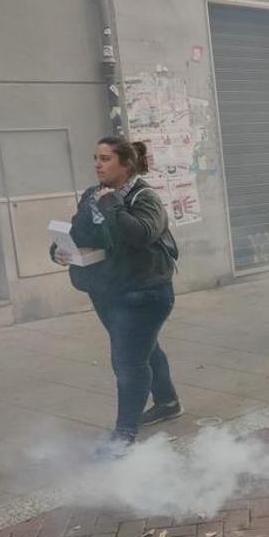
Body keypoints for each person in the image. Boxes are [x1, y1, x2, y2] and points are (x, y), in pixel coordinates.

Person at [51, 137, 180, 453]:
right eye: (95, 157)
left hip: (144, 292)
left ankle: (124, 435)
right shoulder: (91, 195)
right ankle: (167, 402)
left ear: (126, 164)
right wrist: (58, 249)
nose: (97, 164)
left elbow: (139, 235)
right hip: (107, 290)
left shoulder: (145, 198)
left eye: (106, 158)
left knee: (127, 361)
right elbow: (79, 232)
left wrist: (111, 203)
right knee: (143, 349)